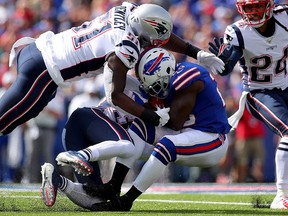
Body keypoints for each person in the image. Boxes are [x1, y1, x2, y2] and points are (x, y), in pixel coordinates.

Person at [0, 2, 224, 136]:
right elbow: (114, 96)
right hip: (43, 69)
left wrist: (197, 52)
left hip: (42, 57)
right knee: (3, 120)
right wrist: (153, 117)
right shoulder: (124, 47)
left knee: (12, 121)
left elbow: (159, 33)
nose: (156, 43)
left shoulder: (129, 12)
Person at [48, 47, 231, 211]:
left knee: (165, 146)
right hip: (184, 131)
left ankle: (127, 200)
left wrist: (148, 112)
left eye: (156, 86)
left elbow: (174, 122)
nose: (152, 91)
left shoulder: (190, 79)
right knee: (139, 128)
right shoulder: (165, 78)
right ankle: (113, 185)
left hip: (211, 137)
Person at [207, 0, 288, 209]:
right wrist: (221, 60)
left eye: (257, 6)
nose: (253, 12)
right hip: (259, 92)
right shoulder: (238, 32)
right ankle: (282, 195)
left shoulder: (284, 16)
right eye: (248, 7)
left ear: (269, 6)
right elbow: (225, 70)